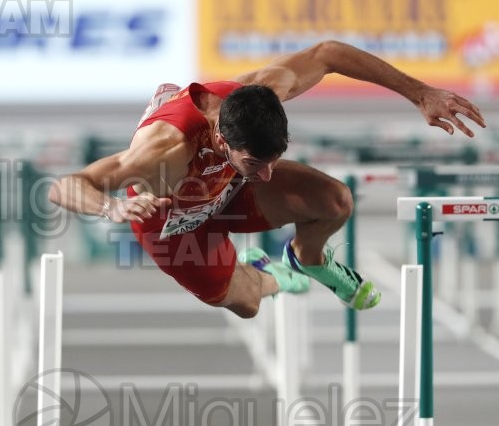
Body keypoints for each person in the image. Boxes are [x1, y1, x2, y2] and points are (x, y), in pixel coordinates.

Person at [49, 41, 485, 319]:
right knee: (248, 303)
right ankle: (273, 275)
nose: (270, 172)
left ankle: (307, 259)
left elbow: (328, 53)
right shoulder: (161, 151)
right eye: (258, 162)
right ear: (221, 139)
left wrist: (420, 92)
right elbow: (65, 184)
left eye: (275, 159)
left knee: (336, 202)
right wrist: (112, 207)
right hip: (170, 221)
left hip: (228, 188)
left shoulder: (259, 91)